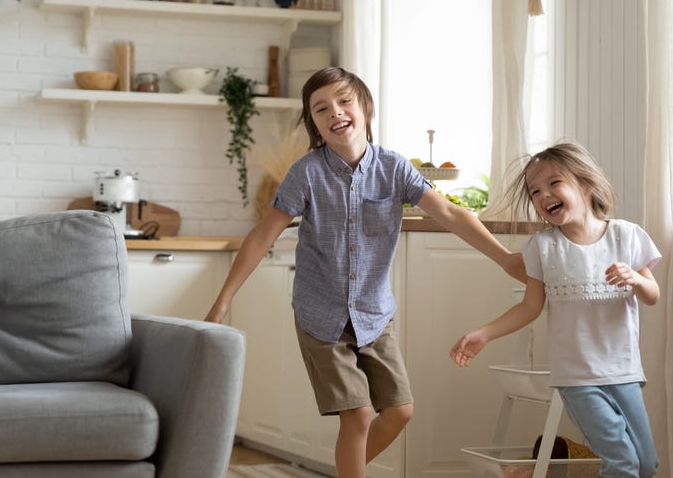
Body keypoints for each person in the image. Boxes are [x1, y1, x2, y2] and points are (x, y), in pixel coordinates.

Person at [206, 67, 526, 478]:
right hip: (321, 317)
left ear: (366, 108)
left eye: (344, 101)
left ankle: (347, 471)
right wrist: (224, 301)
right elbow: (262, 236)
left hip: (375, 315)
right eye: (321, 109)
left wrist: (505, 259)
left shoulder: (393, 168)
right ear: (314, 123)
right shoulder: (307, 173)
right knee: (357, 414)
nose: (335, 112)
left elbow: (449, 213)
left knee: (400, 411)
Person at [449, 140, 661, 477]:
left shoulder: (628, 236)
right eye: (535, 191)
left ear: (586, 184)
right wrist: (484, 333)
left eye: (554, 183)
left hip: (625, 373)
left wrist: (635, 278)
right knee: (622, 461)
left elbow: (652, 295)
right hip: (577, 379)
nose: (543, 195)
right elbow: (529, 307)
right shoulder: (542, 247)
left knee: (646, 464)